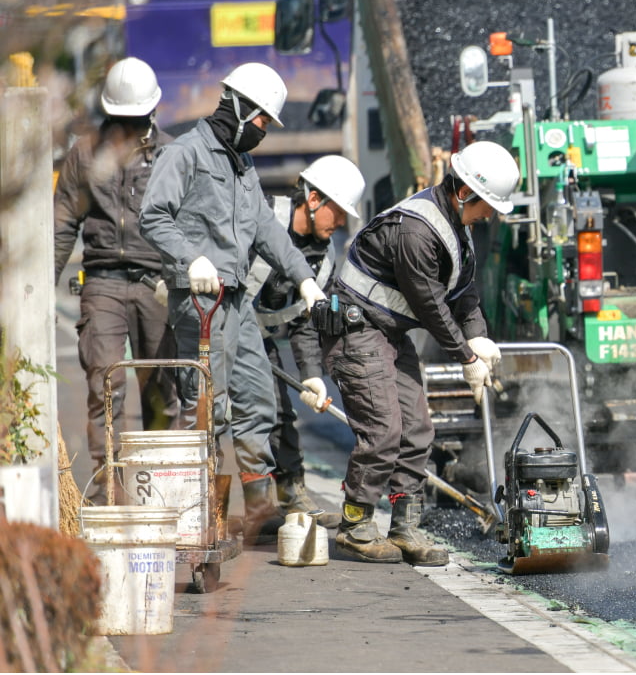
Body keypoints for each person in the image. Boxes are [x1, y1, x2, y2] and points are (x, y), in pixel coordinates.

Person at [139, 62, 325, 540]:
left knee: (259, 402)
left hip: (237, 302)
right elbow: (153, 216)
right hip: (200, 301)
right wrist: (189, 258)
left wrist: (304, 278)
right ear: (240, 108)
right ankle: (201, 515)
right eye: (263, 119)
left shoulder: (242, 165)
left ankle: (259, 508)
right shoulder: (186, 154)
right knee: (207, 406)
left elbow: (265, 228)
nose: (264, 131)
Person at [322, 140, 518, 566]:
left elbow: (464, 293)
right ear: (464, 192)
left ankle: (405, 527)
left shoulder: (459, 230)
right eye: (488, 205)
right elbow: (430, 305)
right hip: (359, 330)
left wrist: (479, 339)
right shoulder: (417, 230)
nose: (491, 215)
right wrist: (465, 357)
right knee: (383, 430)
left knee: (417, 431)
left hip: (390, 332)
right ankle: (355, 526)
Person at [53, 57, 177, 504]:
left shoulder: (170, 154)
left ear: (151, 112)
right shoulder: (85, 154)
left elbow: (190, 222)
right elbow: (62, 224)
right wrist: (36, 294)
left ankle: (162, 486)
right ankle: (111, 487)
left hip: (157, 284)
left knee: (163, 385)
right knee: (105, 384)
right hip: (102, 280)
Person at [230, 155, 366, 527]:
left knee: (279, 413)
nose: (339, 223)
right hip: (221, 329)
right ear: (313, 198)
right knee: (217, 418)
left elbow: (305, 323)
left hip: (260, 338)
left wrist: (311, 374)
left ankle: (290, 495)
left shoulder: (324, 258)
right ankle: (204, 501)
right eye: (336, 212)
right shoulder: (261, 217)